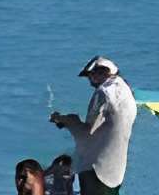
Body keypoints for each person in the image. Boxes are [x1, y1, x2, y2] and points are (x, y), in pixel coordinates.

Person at [49, 58, 135, 195]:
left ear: (98, 73)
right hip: (116, 169)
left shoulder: (103, 92)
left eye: (91, 76)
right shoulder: (126, 91)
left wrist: (66, 120)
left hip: (96, 169)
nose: (90, 82)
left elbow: (87, 133)